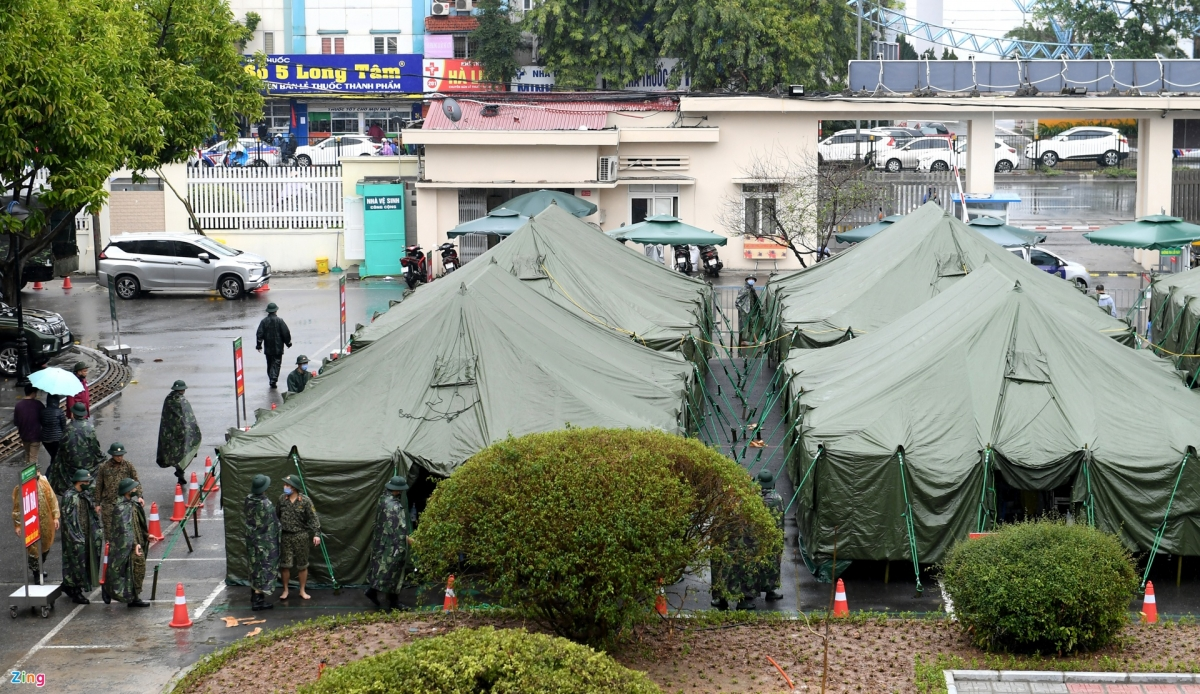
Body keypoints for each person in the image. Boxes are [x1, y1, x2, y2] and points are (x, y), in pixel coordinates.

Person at [365, 476, 412, 610]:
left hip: (381, 541)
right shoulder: (395, 506)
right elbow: (399, 528)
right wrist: (405, 542)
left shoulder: (382, 499)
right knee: (393, 572)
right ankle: (393, 603)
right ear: (397, 491)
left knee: (382, 569)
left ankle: (372, 591)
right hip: (393, 544)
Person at [60, 470, 102, 604]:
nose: (88, 484)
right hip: (75, 537)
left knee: (84, 562)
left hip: (86, 533)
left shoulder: (84, 494)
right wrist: (76, 537)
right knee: (75, 563)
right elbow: (68, 520)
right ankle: (75, 590)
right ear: (79, 482)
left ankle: (70, 585)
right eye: (86, 481)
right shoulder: (70, 497)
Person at [11, 465, 58, 584]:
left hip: (45, 521)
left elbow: (52, 500)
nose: (38, 473)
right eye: (35, 471)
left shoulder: (43, 483)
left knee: (45, 546)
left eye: (38, 471)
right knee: (33, 549)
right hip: (30, 523)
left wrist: (55, 516)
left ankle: (40, 566)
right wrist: (18, 525)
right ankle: (36, 572)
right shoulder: (21, 488)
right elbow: (17, 508)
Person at [276, 474, 320, 600]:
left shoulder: (305, 501)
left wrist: (317, 534)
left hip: (301, 535)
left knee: (302, 565)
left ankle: (302, 590)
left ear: (294, 487)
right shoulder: (281, 499)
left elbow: (313, 518)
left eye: (287, 485)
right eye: (285, 484)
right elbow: (276, 515)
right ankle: (285, 590)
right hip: (285, 536)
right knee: (285, 565)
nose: (285, 487)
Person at [107, 478, 149, 607]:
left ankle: (134, 596)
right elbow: (126, 530)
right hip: (129, 545)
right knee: (133, 570)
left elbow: (137, 525)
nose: (136, 490)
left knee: (136, 570)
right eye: (134, 488)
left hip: (135, 543)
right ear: (127, 491)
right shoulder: (121, 508)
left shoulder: (132, 505)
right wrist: (135, 544)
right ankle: (129, 596)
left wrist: (146, 536)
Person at [51, 403, 106, 496]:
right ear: (84, 414)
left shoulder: (68, 429)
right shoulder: (90, 428)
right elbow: (95, 447)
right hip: (87, 463)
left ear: (73, 414)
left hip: (71, 464)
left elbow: (62, 447)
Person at [155, 380, 201, 489]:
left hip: (169, 432)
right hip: (181, 432)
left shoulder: (168, 399)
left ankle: (179, 471)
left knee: (173, 453)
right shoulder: (182, 401)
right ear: (183, 390)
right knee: (183, 451)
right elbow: (188, 417)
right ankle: (180, 471)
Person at [245, 474, 280, 611]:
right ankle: (258, 600)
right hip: (264, 542)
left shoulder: (248, 500)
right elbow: (273, 524)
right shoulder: (266, 504)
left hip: (251, 540)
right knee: (264, 569)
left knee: (254, 567)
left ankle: (254, 595)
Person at [93, 442, 140, 540]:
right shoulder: (104, 467)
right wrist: (97, 503)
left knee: (125, 530)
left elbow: (136, 481)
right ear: (112, 455)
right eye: (117, 455)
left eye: (121, 455)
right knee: (109, 533)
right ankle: (110, 553)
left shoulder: (128, 465)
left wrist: (140, 496)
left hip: (125, 503)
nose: (119, 457)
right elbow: (99, 486)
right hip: (109, 504)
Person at [751, 469, 785, 603]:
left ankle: (752, 591)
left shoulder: (752, 498)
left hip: (755, 537)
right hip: (774, 537)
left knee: (754, 563)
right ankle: (770, 591)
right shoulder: (778, 499)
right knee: (773, 564)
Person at [256, 302, 292, 389]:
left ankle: (271, 378)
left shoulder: (264, 321)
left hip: (268, 347)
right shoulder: (280, 321)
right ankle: (274, 379)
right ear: (276, 311)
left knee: (270, 363)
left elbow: (259, 334)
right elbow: (286, 333)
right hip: (278, 347)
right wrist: (288, 343)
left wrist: (259, 345)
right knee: (277, 363)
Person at [14, 386, 44, 464]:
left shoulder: (18, 405)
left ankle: (28, 474)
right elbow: (44, 419)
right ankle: (32, 475)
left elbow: (16, 422)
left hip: (24, 435)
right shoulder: (38, 405)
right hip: (35, 435)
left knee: (27, 454)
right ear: (33, 393)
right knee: (33, 457)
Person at [40, 393, 66, 482]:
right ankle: (47, 477)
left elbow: (42, 423)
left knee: (54, 457)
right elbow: (63, 426)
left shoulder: (43, 411)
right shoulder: (59, 411)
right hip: (57, 439)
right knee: (55, 459)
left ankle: (54, 476)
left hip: (45, 439)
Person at [736, 276, 763, 348]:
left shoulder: (751, 289)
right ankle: (743, 342)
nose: (751, 280)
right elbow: (737, 301)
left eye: (753, 280)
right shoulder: (744, 289)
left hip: (750, 311)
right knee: (743, 327)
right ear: (746, 280)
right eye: (750, 279)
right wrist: (742, 309)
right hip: (745, 311)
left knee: (751, 325)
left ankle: (754, 341)